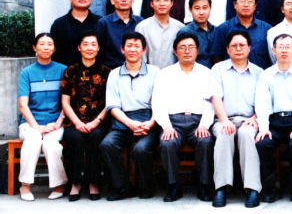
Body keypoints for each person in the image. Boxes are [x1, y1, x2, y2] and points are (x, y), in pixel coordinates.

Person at [152, 31, 215, 203]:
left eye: (191, 47)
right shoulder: (164, 74)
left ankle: (203, 185)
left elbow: (211, 103)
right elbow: (158, 102)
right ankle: (173, 186)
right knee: (167, 143)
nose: (187, 51)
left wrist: (204, 124)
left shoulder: (207, 73)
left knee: (205, 141)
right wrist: (166, 126)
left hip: (198, 121)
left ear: (197, 50)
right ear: (175, 51)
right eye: (182, 48)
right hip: (173, 122)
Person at [100, 32, 160, 200]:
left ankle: (145, 186)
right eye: (129, 46)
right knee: (107, 145)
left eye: (137, 46)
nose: (132, 50)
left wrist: (151, 123)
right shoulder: (114, 74)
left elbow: (160, 102)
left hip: (148, 120)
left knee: (141, 149)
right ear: (122, 49)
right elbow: (112, 106)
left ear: (143, 50)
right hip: (122, 120)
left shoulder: (155, 72)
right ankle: (123, 187)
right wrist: (130, 123)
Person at [254, 33, 292, 203]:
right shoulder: (266, 75)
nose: (284, 50)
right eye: (280, 47)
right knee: (263, 143)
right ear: (273, 50)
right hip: (275, 121)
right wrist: (263, 128)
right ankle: (271, 188)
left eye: (288, 47)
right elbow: (262, 104)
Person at [209, 31, 263, 208]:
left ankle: (252, 189)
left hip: (250, 120)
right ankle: (221, 188)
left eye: (242, 45)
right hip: (224, 118)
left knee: (247, 134)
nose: (238, 48)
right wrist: (225, 120)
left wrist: (255, 118)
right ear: (227, 49)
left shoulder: (259, 72)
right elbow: (216, 97)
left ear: (249, 48)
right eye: (234, 45)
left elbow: (264, 101)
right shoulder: (218, 70)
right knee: (225, 133)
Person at [59, 31, 111, 201]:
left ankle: (93, 183)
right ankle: (75, 183)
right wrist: (77, 122)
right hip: (74, 121)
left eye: (93, 44)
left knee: (95, 138)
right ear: (79, 48)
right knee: (74, 138)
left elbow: (110, 102)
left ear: (98, 48)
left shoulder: (107, 72)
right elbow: (65, 101)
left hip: (100, 121)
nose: (90, 48)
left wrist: (95, 122)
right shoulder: (70, 71)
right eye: (86, 44)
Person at [17, 33, 68, 201]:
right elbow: (23, 105)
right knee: (32, 142)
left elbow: (67, 102)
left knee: (51, 145)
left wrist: (58, 123)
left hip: (55, 122)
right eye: (42, 44)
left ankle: (59, 185)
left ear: (54, 48)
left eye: (49, 44)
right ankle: (25, 185)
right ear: (35, 47)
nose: (46, 47)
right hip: (30, 123)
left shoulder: (63, 70)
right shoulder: (27, 73)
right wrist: (36, 127)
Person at [214, 0, 273, 69]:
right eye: (242, 1)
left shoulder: (267, 29)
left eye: (250, 1)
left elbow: (271, 57)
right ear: (235, 4)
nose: (246, 4)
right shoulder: (223, 29)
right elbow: (216, 57)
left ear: (255, 5)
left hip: (259, 75)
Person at [50, 0, 101, 67]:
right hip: (66, 73)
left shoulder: (100, 22)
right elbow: (54, 54)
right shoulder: (59, 24)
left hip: (96, 73)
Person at [96, 0, 144, 68]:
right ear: (112, 0)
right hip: (111, 70)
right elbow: (99, 51)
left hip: (137, 69)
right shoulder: (104, 23)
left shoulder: (140, 22)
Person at [135, 0, 184, 68]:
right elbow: (140, 58)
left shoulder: (180, 28)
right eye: (157, 0)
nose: (162, 4)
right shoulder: (142, 27)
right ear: (151, 4)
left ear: (171, 3)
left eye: (166, 0)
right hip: (149, 74)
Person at [180, 0, 215, 68]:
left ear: (210, 8)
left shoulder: (216, 30)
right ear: (190, 10)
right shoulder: (185, 32)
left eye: (205, 8)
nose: (201, 12)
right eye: (197, 8)